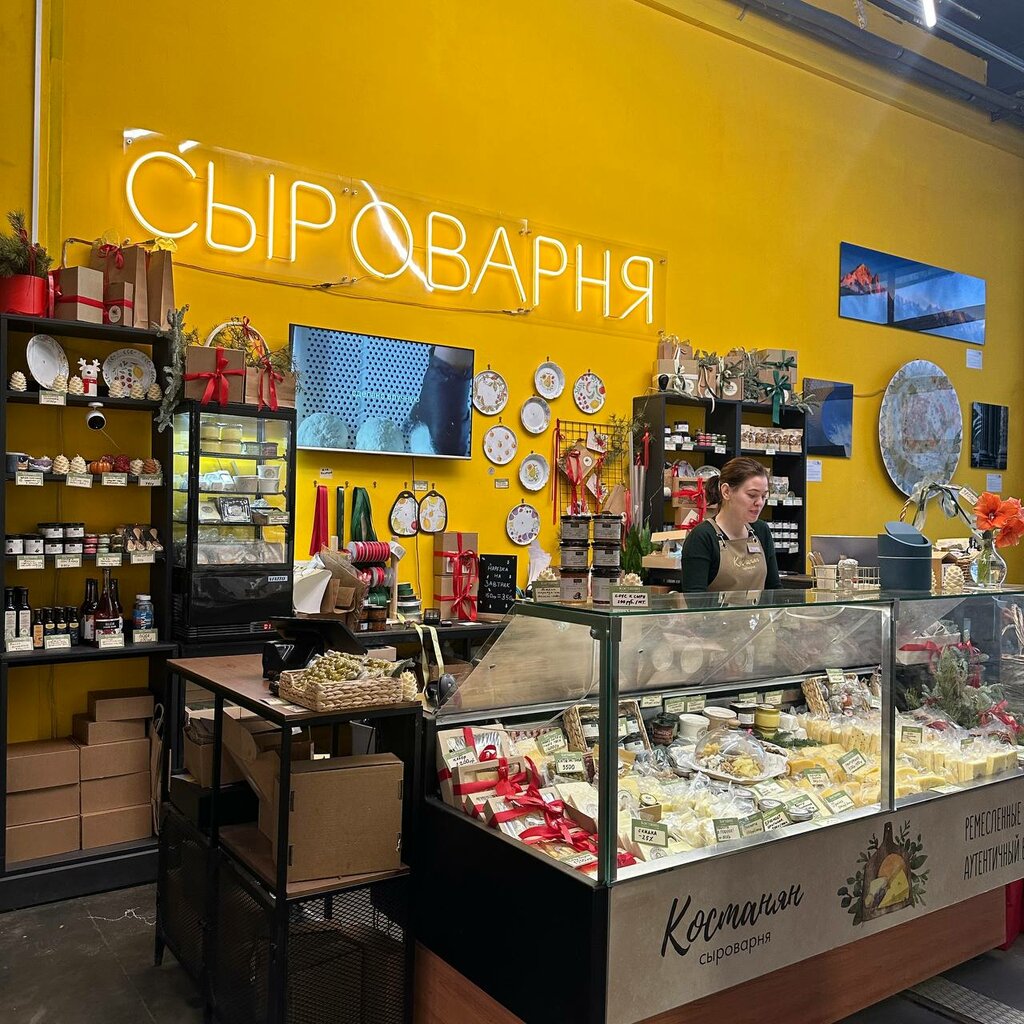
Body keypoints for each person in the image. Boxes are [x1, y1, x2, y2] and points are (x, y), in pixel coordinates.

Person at [680, 457, 781, 592]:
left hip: (759, 607)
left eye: (763, 496)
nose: (760, 503)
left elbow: (774, 589)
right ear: (726, 492)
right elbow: (695, 599)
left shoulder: (761, 530)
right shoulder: (702, 537)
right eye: (752, 495)